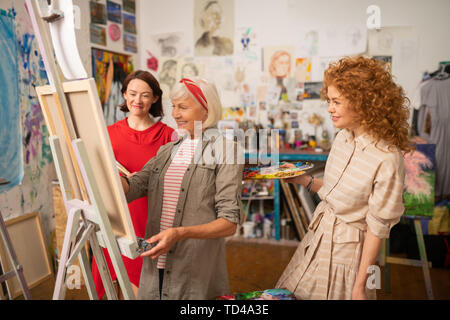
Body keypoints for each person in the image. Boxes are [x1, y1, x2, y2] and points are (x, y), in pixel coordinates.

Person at [276, 56, 412, 300]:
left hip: (350, 257)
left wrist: (362, 286)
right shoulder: (342, 138)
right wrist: (303, 179)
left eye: (336, 101)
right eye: (329, 100)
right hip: (317, 239)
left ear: (362, 103)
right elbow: (336, 195)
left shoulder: (387, 158)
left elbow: (377, 230)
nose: (329, 108)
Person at [121, 77, 244, 300]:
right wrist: (105, 173)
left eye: (183, 107)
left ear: (206, 110)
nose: (175, 114)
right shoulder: (167, 150)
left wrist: (180, 233)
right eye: (174, 106)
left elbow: (229, 223)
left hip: (193, 268)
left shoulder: (227, 150)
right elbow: (134, 186)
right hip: (154, 262)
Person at [91, 70, 175, 299]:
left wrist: (146, 178)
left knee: (144, 289)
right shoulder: (106, 134)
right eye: (133, 93)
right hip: (114, 218)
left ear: (156, 98)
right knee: (112, 286)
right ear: (125, 94)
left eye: (145, 95)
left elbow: (178, 182)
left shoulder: (168, 136)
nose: (137, 100)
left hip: (149, 219)